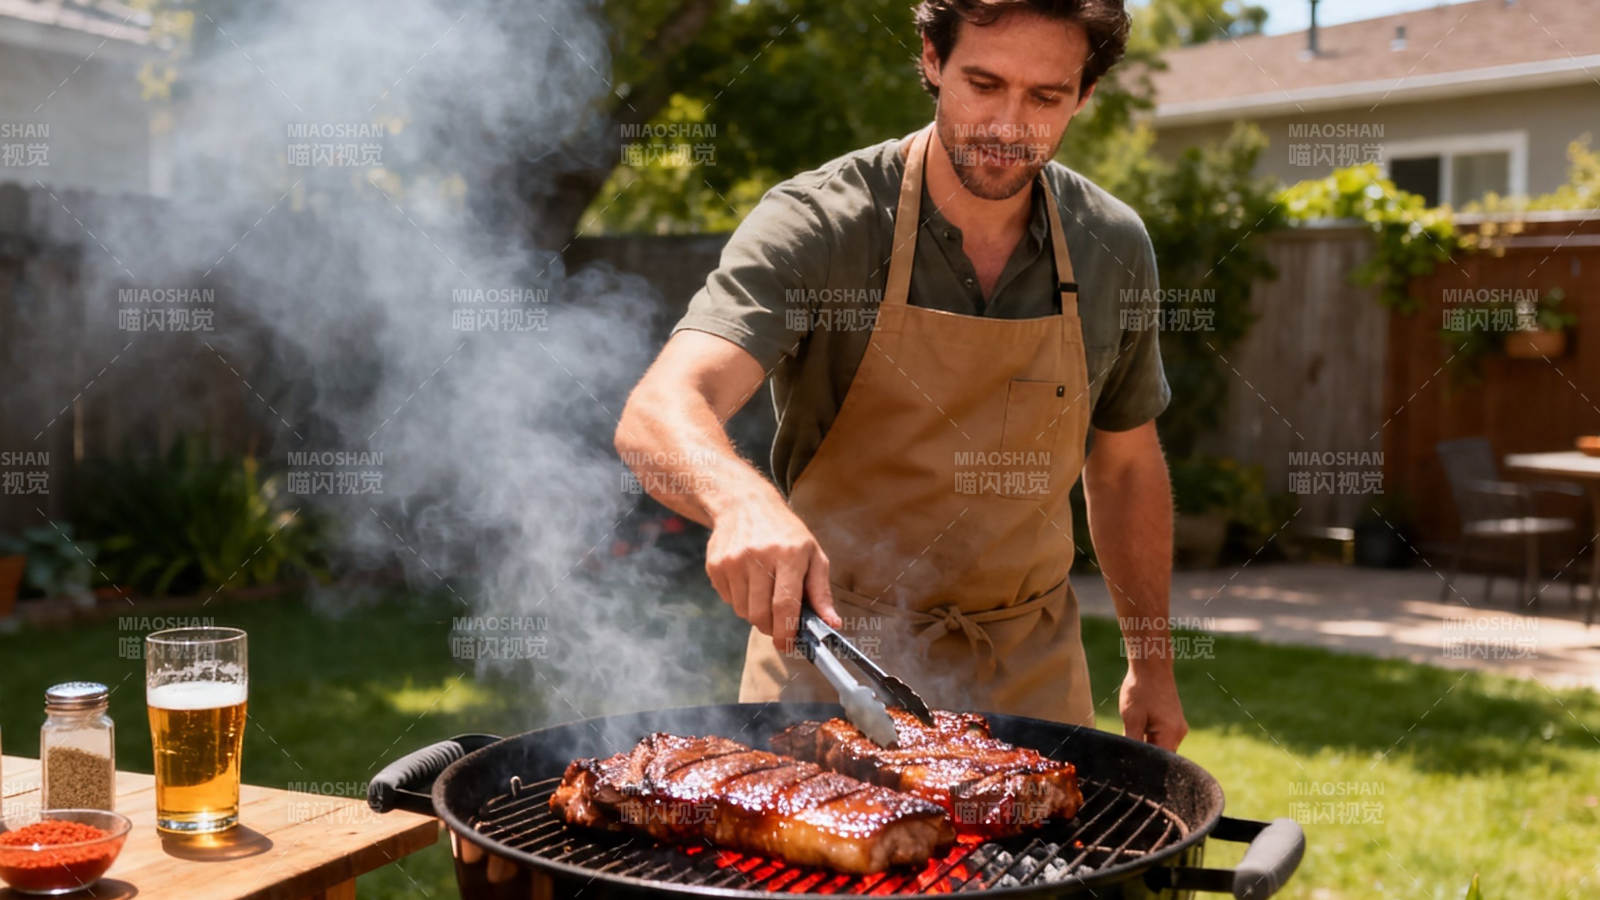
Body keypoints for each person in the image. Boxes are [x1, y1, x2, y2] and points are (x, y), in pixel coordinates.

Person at [616, 0, 1187, 750]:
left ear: (1084, 94)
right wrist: (741, 503)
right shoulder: (823, 223)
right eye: (984, 84)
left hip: (1030, 672)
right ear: (932, 59)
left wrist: (1152, 664)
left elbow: (1125, 467)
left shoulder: (1111, 244)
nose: (1008, 125)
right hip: (834, 666)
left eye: (1045, 97)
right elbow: (660, 407)